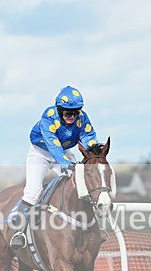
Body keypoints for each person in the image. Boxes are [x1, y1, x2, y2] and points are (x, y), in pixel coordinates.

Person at [9, 85, 100, 248]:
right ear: (59, 110)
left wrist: (93, 151)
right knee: (33, 192)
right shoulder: (49, 117)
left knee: (81, 185)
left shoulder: (82, 118)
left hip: (64, 150)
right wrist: (68, 164)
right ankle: (19, 231)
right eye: (67, 113)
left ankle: (91, 227)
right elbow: (53, 147)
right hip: (41, 153)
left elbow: (88, 136)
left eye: (75, 112)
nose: (72, 116)